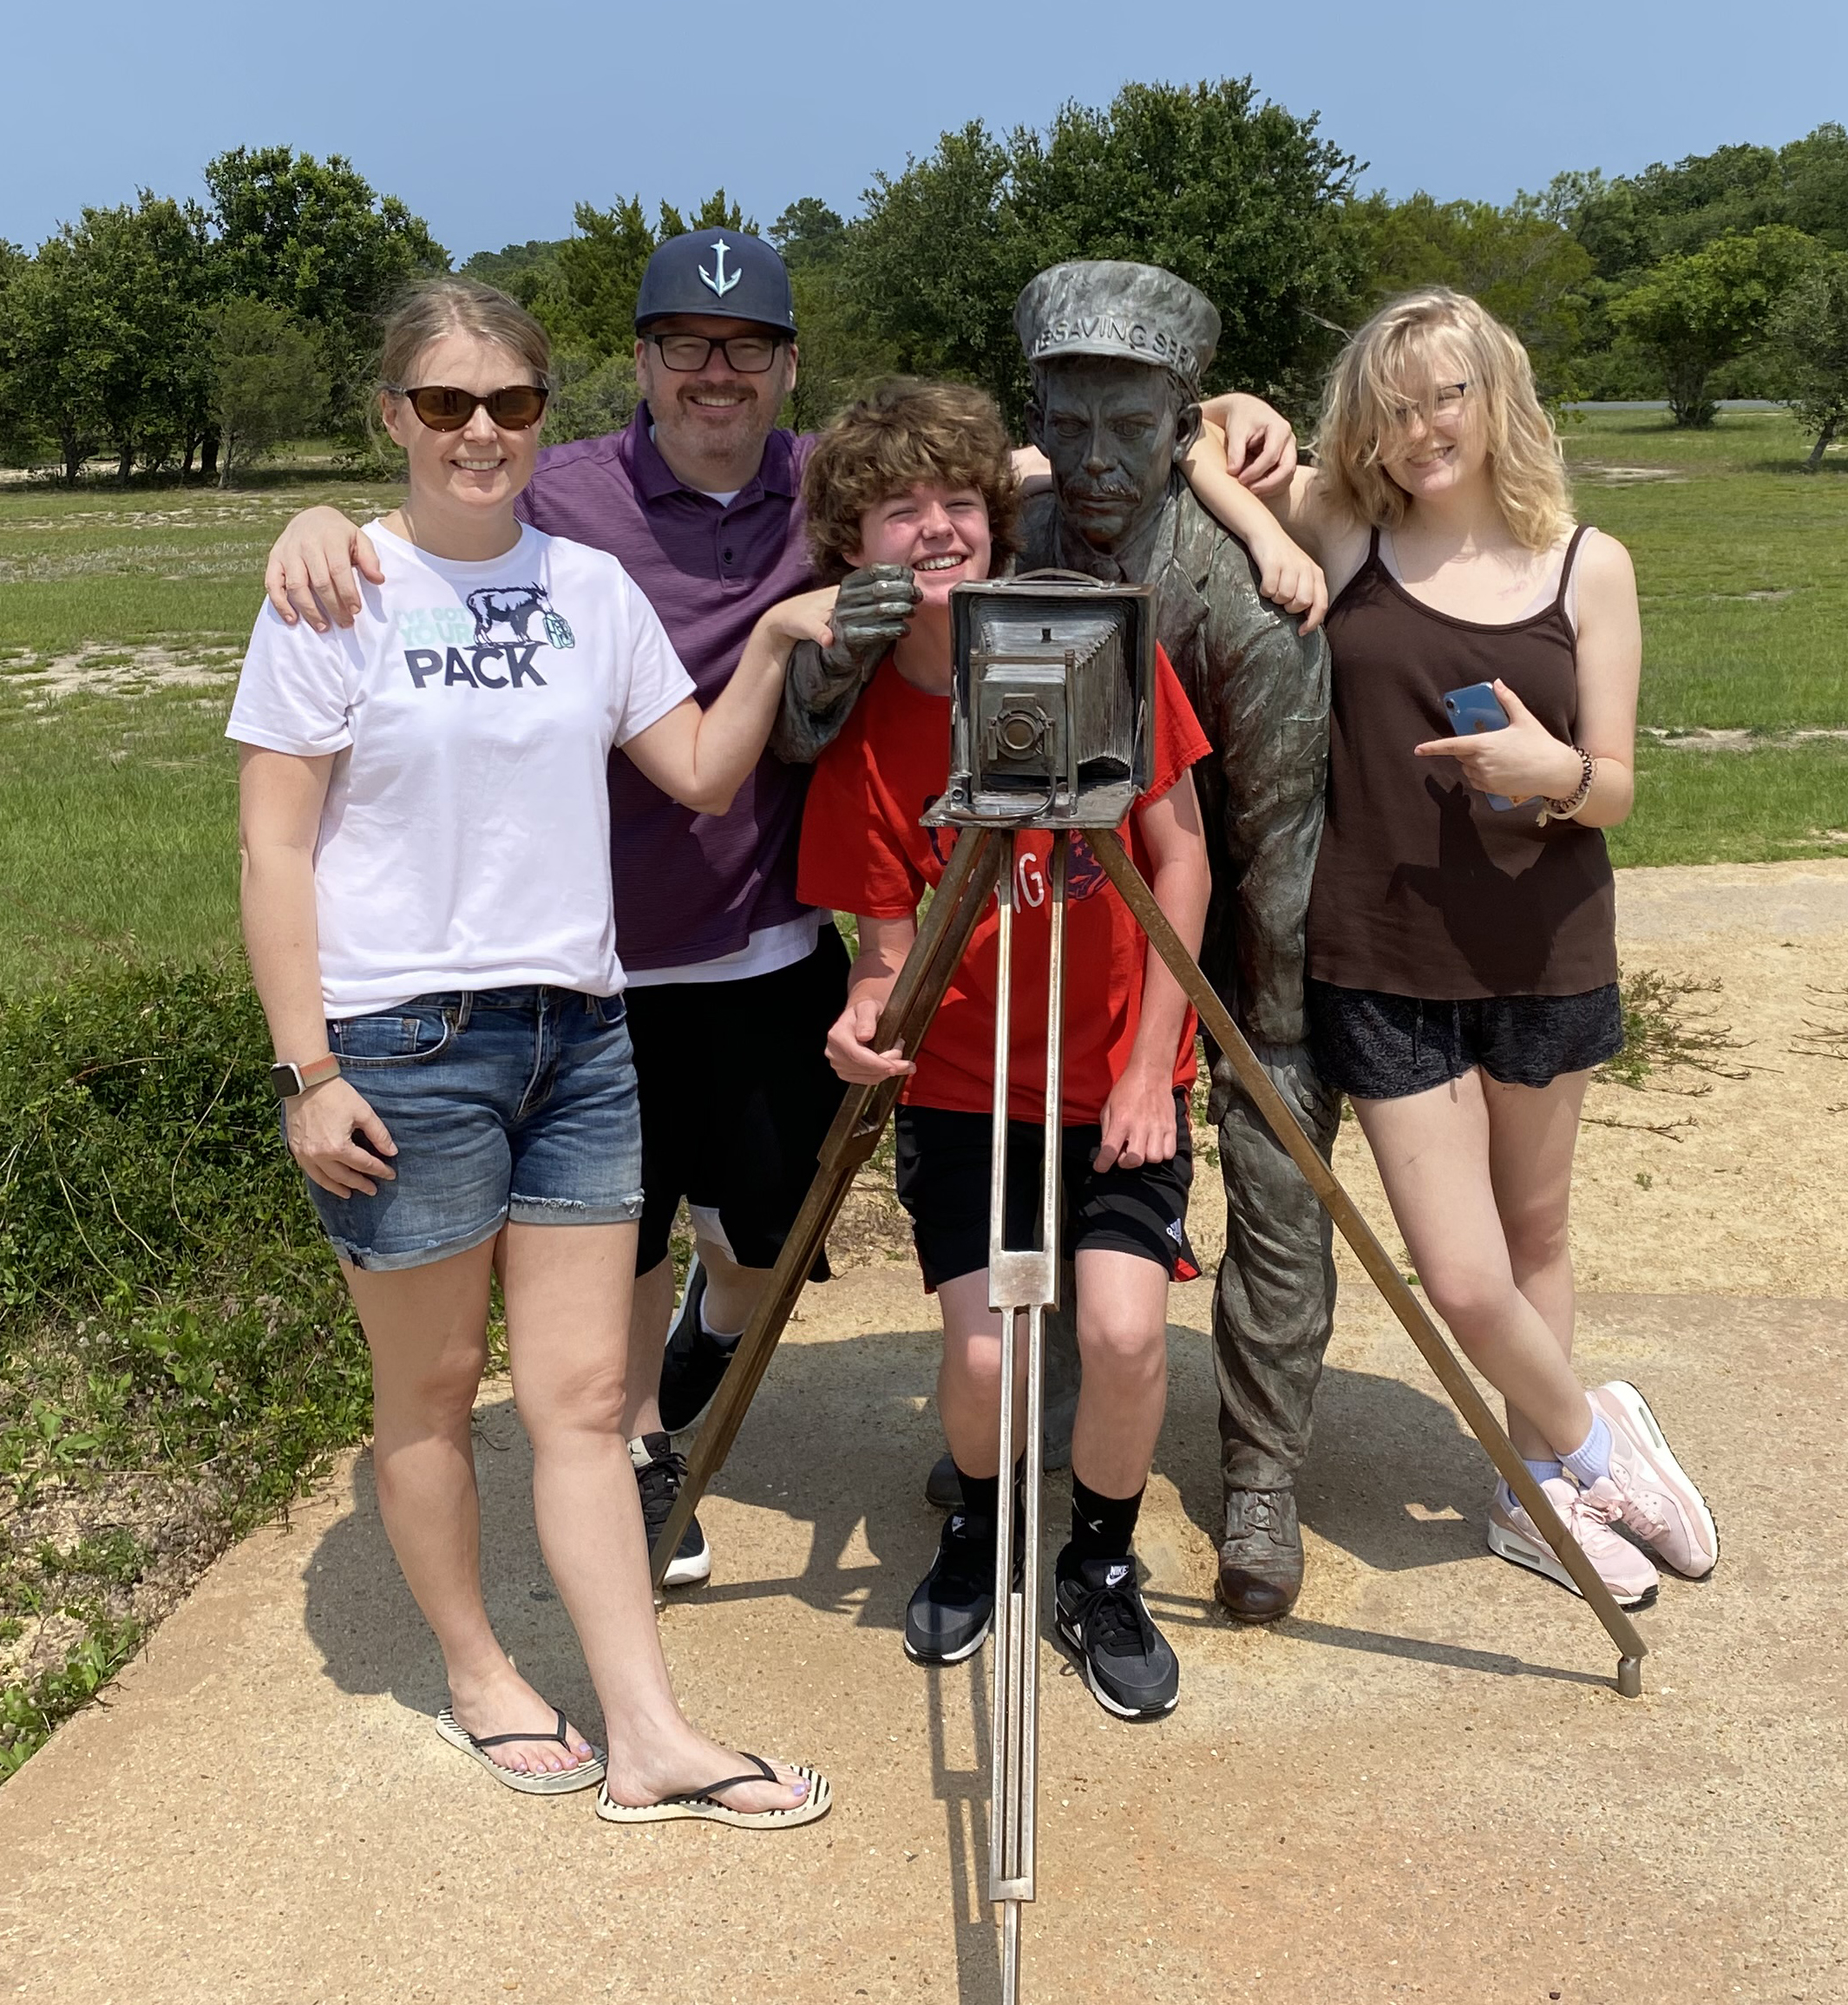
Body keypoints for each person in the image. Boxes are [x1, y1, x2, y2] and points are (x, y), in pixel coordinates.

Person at [261, 231, 1301, 1592]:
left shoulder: (836, 475)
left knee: (756, 1234)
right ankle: (639, 1457)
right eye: (684, 345)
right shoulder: (565, 496)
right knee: (619, 1237)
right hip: (603, 953)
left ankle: (722, 1348)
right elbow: (444, 506)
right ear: (637, 363)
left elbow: (1013, 463)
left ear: (785, 367)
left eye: (745, 348)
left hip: (762, 930)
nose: (714, 371)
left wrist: (1225, 432)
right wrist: (323, 520)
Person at [230, 277, 829, 1825]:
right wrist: (310, 1071)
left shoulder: (589, 585)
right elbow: (272, 850)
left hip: (581, 1030)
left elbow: (695, 773)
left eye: (508, 402)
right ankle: (482, 1674)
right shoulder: (337, 588)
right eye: (444, 403)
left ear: (546, 414)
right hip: (401, 1045)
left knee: (577, 1403)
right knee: (429, 1395)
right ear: (393, 417)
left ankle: (648, 1731)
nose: (480, 431)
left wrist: (767, 644)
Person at [1185, 285, 1719, 1604]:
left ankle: (1528, 1493)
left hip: (1545, 944)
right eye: (1394, 402)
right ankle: (1600, 1449)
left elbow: (1615, 789)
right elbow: (1189, 440)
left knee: (1535, 1234)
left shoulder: (1585, 561)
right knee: (1460, 1273)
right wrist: (1258, 490)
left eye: (1448, 396)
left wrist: (1550, 770)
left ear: (1496, 399)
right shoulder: (1347, 524)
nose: (1423, 426)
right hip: (1380, 952)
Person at [795, 379, 1213, 1718]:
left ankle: (1098, 1562)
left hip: (1113, 1080)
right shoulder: (864, 735)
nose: (933, 531)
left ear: (996, 514)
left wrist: (1153, 1067)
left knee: (1123, 1333)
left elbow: (1180, 859)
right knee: (981, 1357)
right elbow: (880, 954)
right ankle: (979, 1528)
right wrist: (867, 1023)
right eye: (896, 511)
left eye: (956, 503)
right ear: (849, 548)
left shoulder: (1108, 648)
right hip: (971, 1092)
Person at [1008, 263, 1340, 1625]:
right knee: (1029, 1153)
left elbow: (1274, 832)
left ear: (1180, 427)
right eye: (1067, 424)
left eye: (1128, 430)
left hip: (1232, 929)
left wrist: (1254, 1030)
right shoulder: (1001, 539)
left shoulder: (1243, 593)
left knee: (1276, 1161)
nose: (1095, 462)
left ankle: (1260, 1466)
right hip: (1059, 947)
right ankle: (1041, 1405)